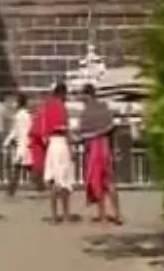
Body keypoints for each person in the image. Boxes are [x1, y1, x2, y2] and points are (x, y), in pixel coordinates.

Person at [78, 85, 121, 225]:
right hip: (105, 146)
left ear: (87, 95)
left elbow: (83, 136)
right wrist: (114, 149)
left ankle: (102, 215)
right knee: (109, 182)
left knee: (98, 182)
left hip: (94, 148)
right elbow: (112, 129)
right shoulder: (104, 108)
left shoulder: (85, 113)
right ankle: (117, 214)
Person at [36, 83, 74, 223]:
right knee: (64, 181)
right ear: (62, 93)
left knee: (53, 180)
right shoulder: (61, 107)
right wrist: (71, 147)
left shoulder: (46, 107)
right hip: (61, 143)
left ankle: (54, 216)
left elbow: (41, 130)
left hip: (51, 145)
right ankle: (66, 214)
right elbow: (66, 129)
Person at [4, 94, 33, 198]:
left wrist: (7, 141)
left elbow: (14, 131)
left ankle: (10, 191)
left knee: (17, 169)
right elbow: (30, 130)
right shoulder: (28, 115)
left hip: (21, 145)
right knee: (30, 168)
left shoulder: (17, 116)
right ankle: (41, 186)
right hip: (27, 145)